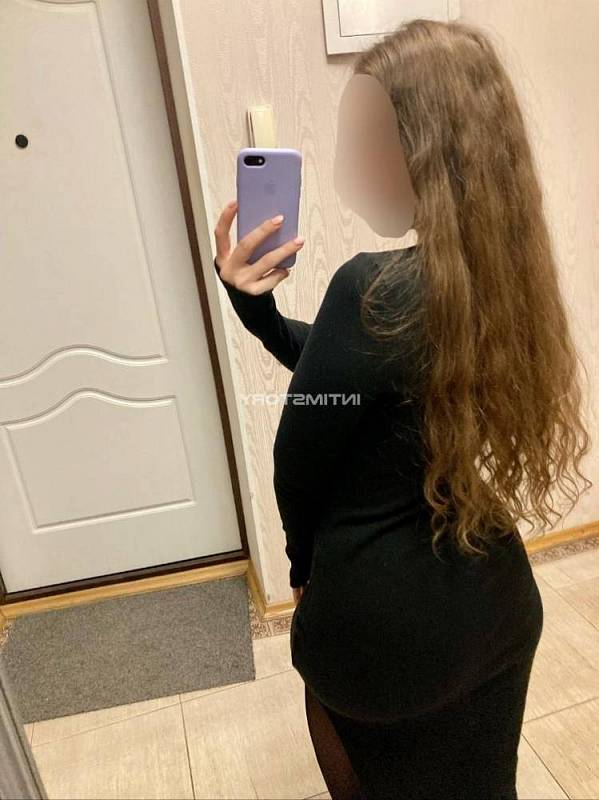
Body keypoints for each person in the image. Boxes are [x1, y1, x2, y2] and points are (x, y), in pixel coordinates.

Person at [212, 17, 591, 800]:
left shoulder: (371, 287)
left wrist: (301, 574)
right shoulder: (499, 269)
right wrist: (259, 315)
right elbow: (355, 367)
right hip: (498, 604)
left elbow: (296, 461)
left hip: (380, 636)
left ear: (419, 149)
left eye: (370, 140)